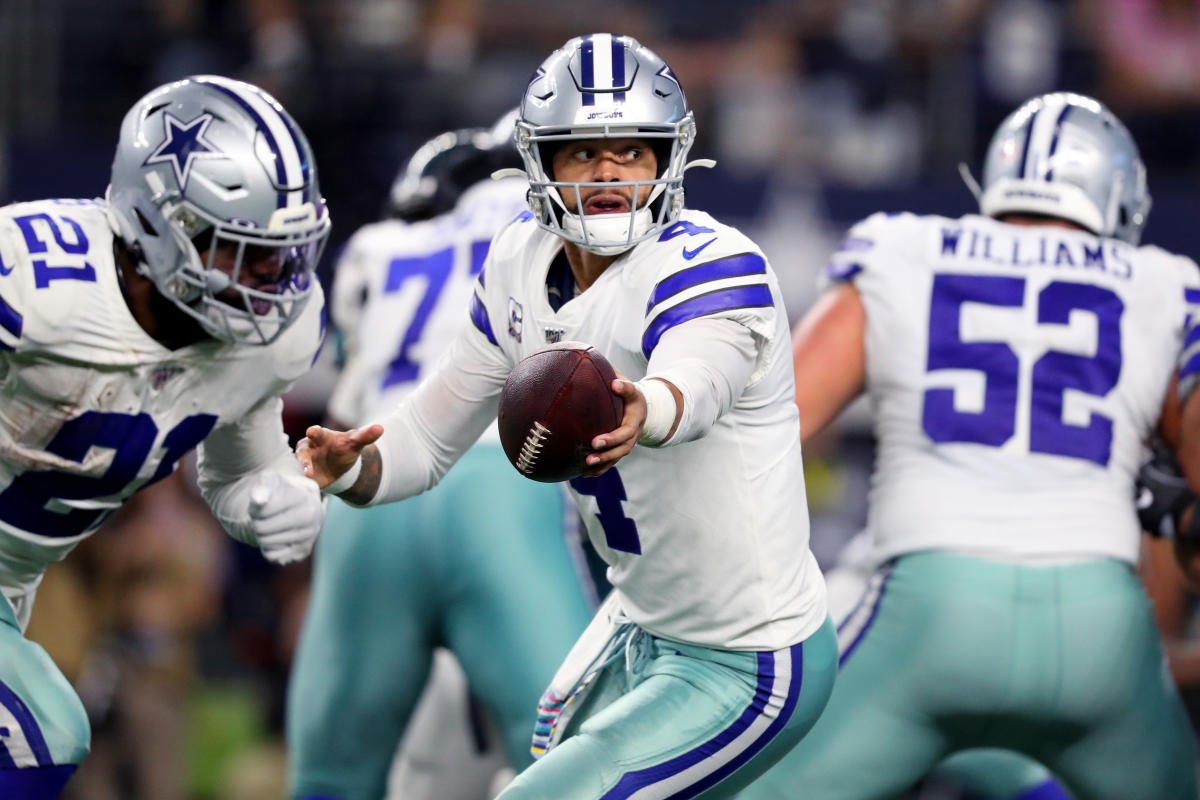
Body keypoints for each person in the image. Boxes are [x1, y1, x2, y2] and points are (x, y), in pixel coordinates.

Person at [297, 33, 836, 800]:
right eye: (584, 153)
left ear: (668, 160)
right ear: (540, 164)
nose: (610, 172)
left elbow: (699, 376)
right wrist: (356, 468)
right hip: (639, 626)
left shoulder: (713, 261)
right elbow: (427, 435)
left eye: (632, 151)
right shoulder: (518, 259)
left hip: (748, 657)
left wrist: (646, 406)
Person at [741, 91, 1199, 800]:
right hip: (1098, 625)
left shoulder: (903, 249)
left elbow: (768, 421)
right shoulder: (1165, 285)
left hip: (932, 609)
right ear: (1116, 202)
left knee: (748, 786)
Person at [0, 74, 330, 797]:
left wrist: (274, 494)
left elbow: (238, 464)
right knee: (41, 729)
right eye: (240, 252)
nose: (271, 283)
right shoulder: (35, 279)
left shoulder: (271, 340)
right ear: (156, 225)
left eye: (281, 255)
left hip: (10, 586)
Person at [286, 120, 595, 800]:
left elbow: (346, 414)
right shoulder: (551, 222)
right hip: (501, 490)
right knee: (575, 773)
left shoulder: (377, 245)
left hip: (373, 495)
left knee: (329, 779)